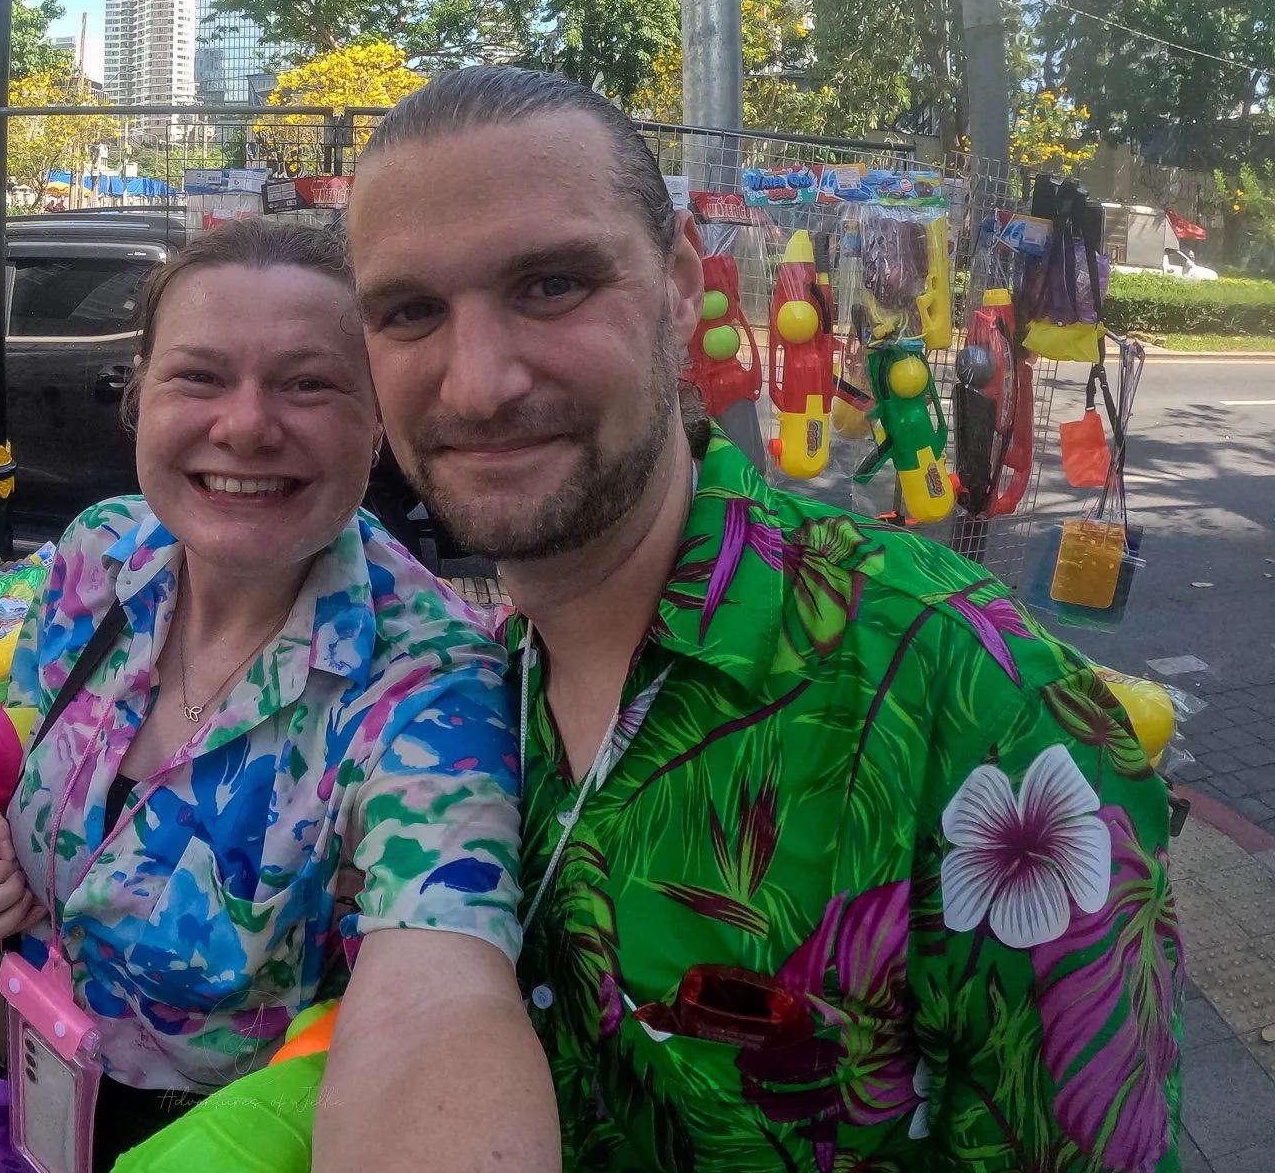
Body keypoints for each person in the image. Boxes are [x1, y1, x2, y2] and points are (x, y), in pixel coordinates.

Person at [344, 65, 1181, 1173]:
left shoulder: (970, 699)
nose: (477, 383)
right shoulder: (453, 707)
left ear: (680, 284)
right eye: (410, 311)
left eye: (550, 284)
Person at [0, 216, 556, 1170]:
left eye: (307, 384)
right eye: (199, 377)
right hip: (45, 1063)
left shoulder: (429, 692)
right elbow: (19, 745)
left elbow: (445, 986)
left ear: (377, 421)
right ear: (140, 395)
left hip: (229, 1132)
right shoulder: (98, 554)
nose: (247, 426)